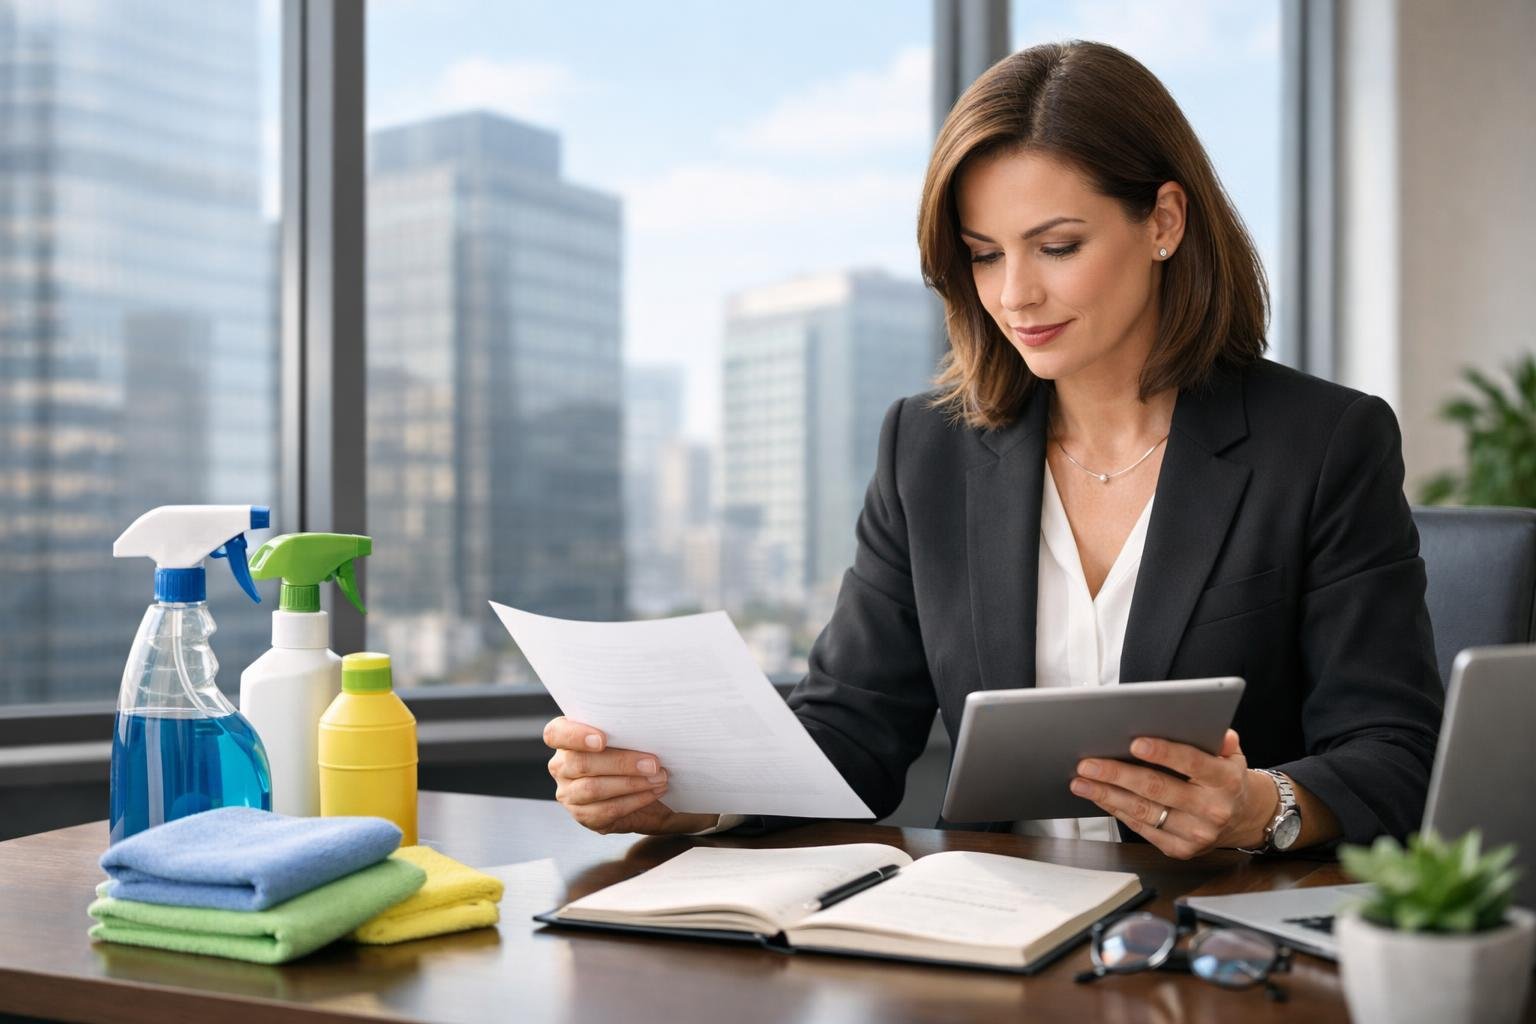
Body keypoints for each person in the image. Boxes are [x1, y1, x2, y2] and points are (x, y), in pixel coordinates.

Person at [541, 40, 1444, 859]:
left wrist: (1265, 805)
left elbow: (1397, 753)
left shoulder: (1322, 445)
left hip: (1220, 934)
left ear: (1164, 220)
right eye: (982, 255)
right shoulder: (926, 450)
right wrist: (684, 797)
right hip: (994, 937)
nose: (1015, 295)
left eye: (1056, 246)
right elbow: (853, 731)